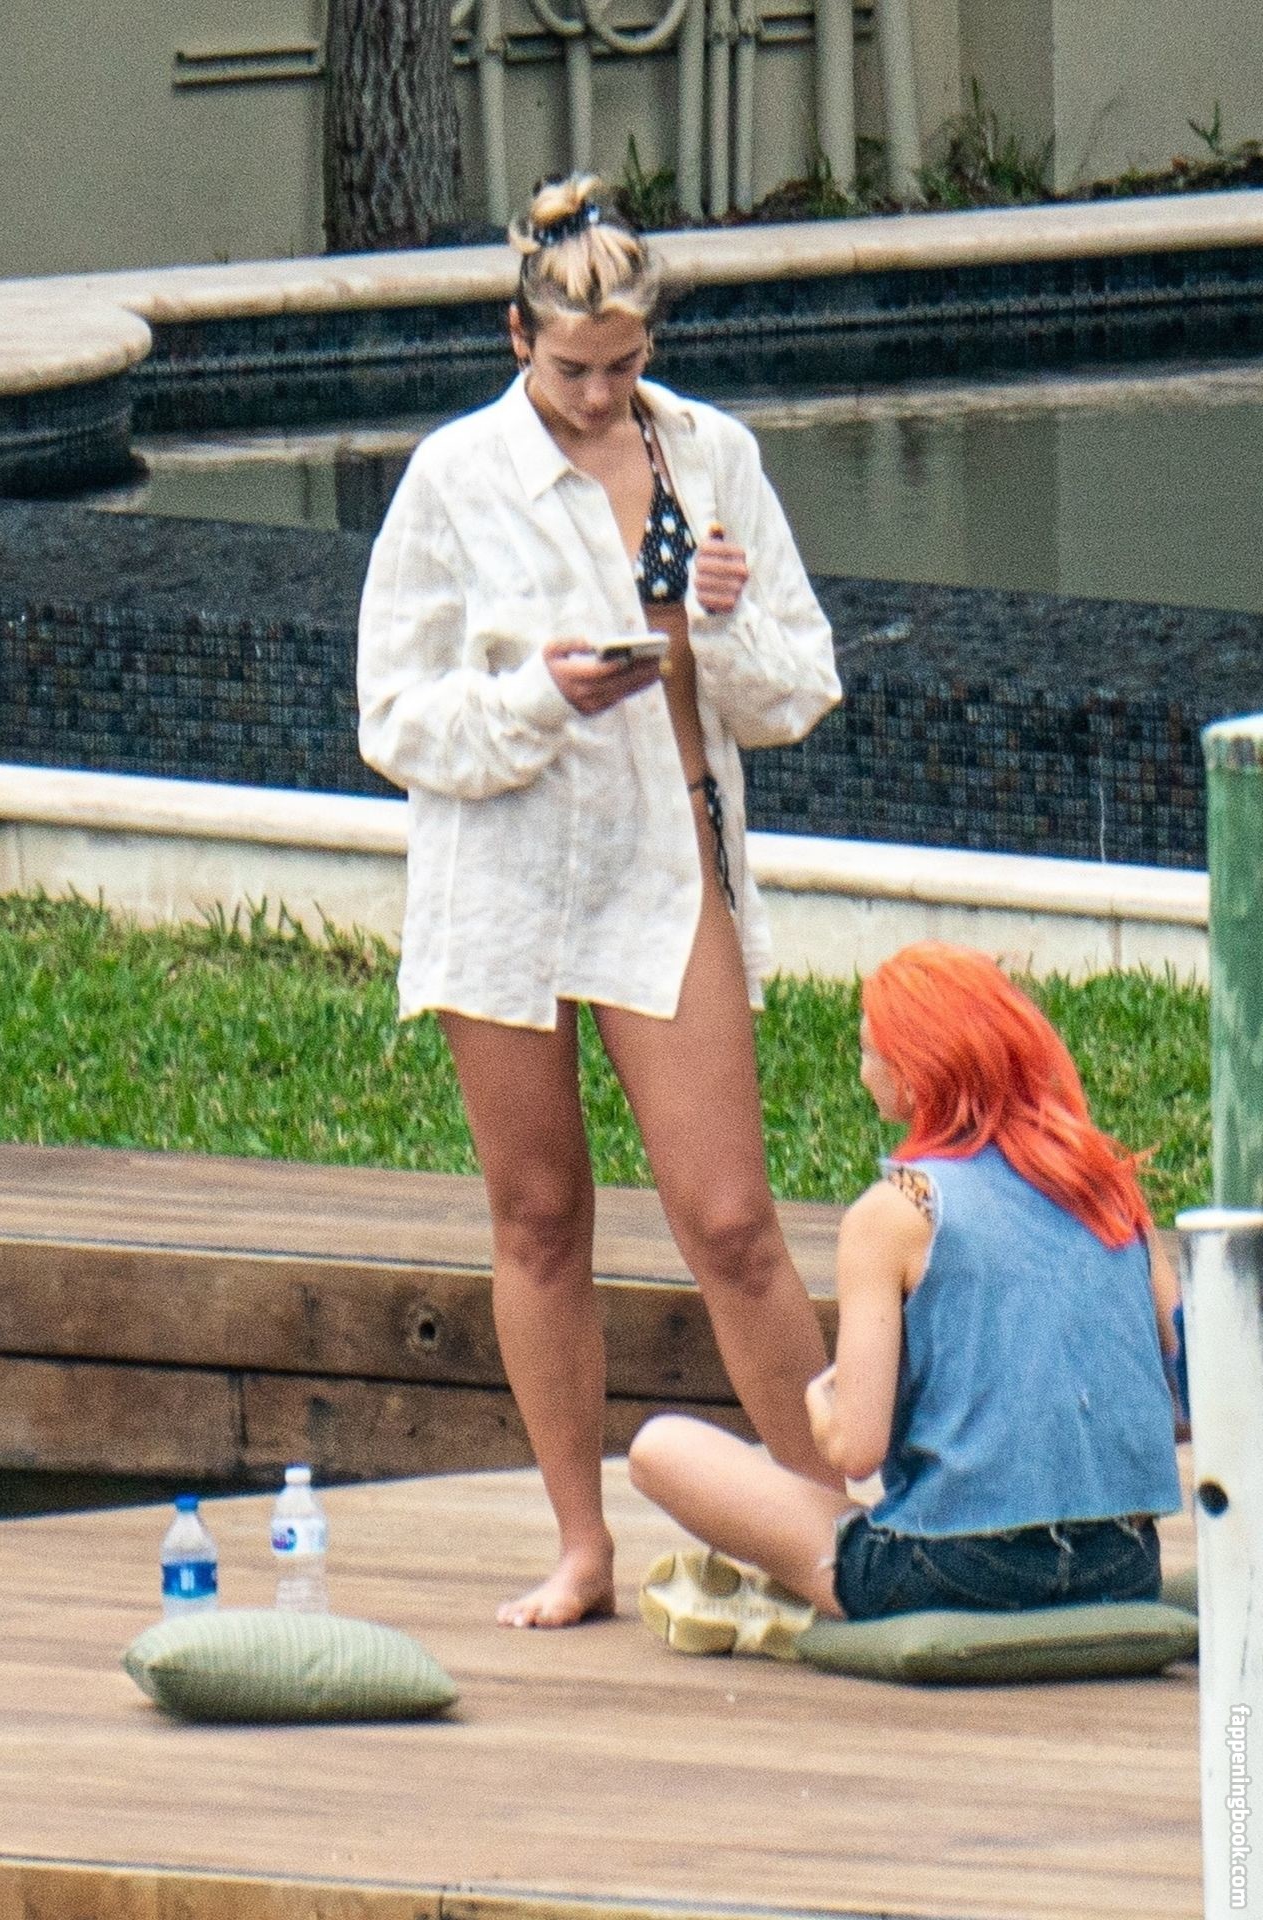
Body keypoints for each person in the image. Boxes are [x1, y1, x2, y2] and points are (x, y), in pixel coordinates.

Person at [356, 173, 844, 1628]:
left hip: (664, 860)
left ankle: (841, 1526)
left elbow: (797, 689)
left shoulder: (711, 454)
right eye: (573, 367)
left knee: (732, 1220)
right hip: (503, 880)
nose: (598, 394)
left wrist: (716, 624)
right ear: (518, 337)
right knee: (538, 1215)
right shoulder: (454, 476)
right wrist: (540, 698)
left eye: (623, 365)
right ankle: (580, 1546)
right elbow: (393, 717)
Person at [629, 941, 1184, 1642]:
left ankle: (806, 1600)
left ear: (918, 1076)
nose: (861, 1073)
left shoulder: (896, 1212)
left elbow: (856, 1450)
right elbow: (1182, 1391)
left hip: (955, 1573)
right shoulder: (1110, 1191)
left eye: (869, 1052)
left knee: (660, 1448)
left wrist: (822, 1404)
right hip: (1124, 1567)